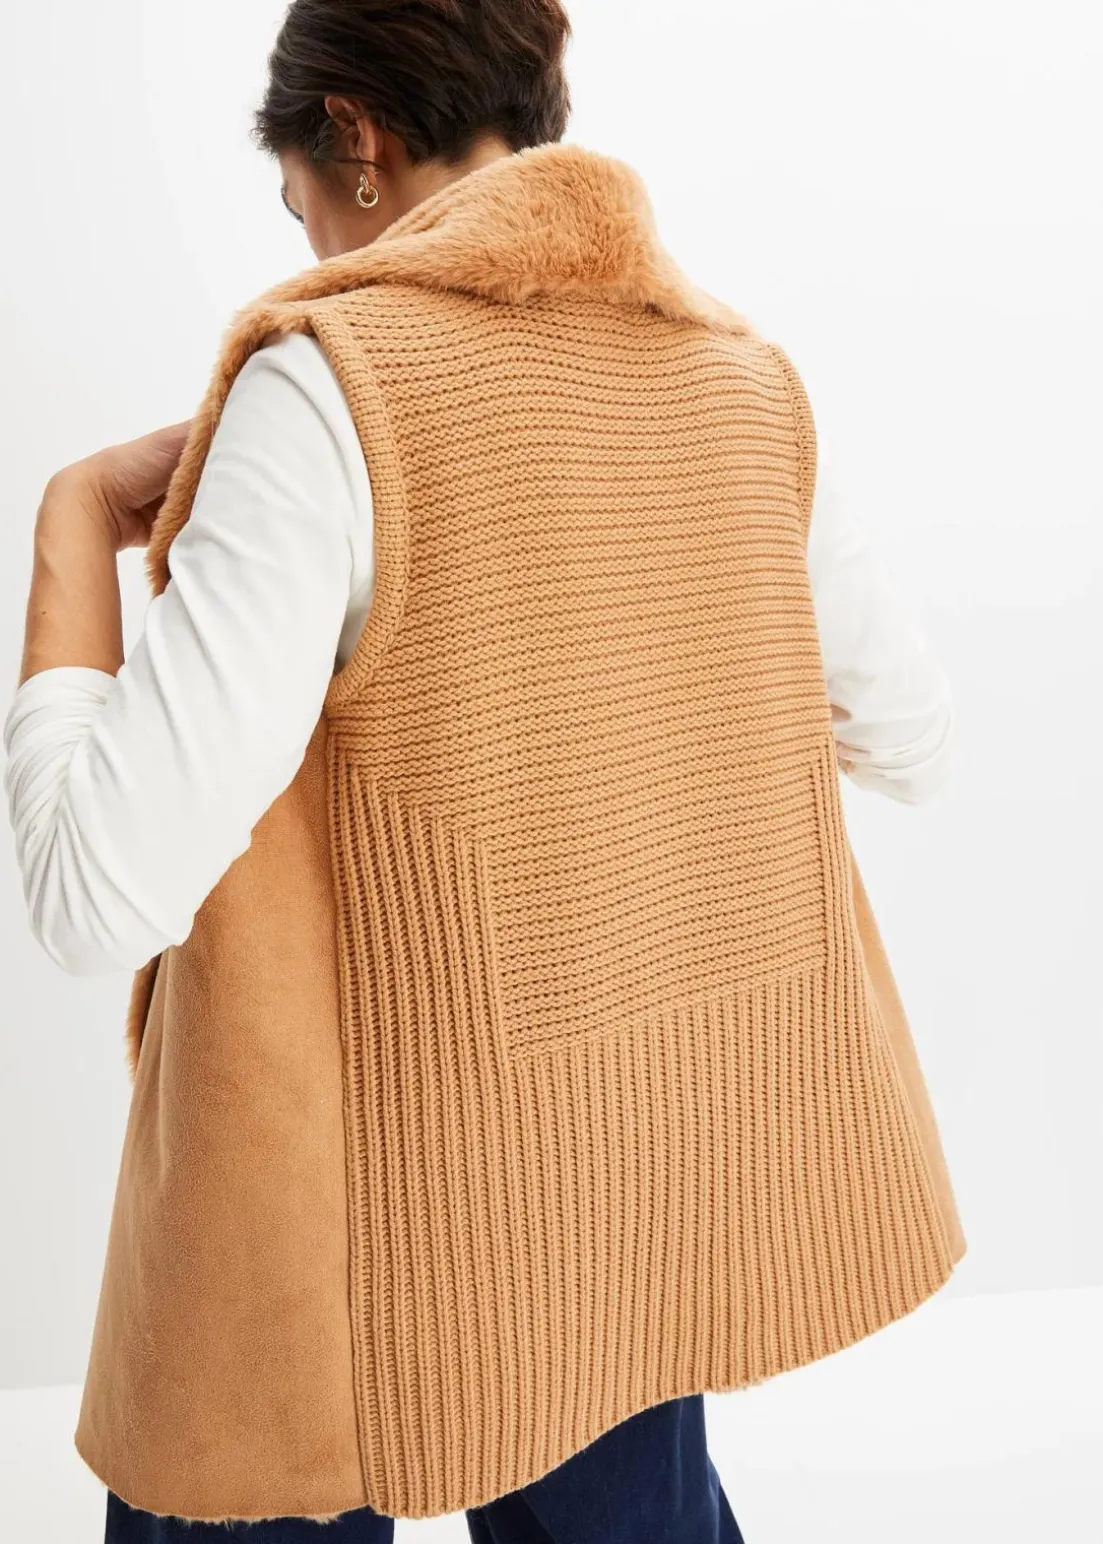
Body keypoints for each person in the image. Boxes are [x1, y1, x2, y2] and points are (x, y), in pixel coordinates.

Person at [3, 1, 967, 1540]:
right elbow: (909, 739)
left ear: (355, 134)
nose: (317, 245)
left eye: (301, 203)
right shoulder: (737, 377)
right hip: (626, 1186)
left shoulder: (325, 383)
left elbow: (90, 891)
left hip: (348, 1226)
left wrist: (70, 522)